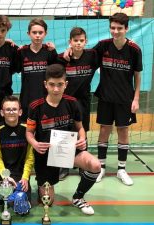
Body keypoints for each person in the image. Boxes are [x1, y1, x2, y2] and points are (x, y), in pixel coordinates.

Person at [26, 64, 101, 215]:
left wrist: (82, 138)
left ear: (65, 85)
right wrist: (35, 144)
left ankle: (78, 197)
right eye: (52, 85)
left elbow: (80, 127)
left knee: (95, 165)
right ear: (45, 84)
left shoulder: (72, 103)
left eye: (60, 85)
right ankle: (41, 185)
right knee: (49, 201)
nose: (55, 89)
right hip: (45, 155)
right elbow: (29, 132)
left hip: (68, 150)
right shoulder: (35, 106)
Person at [92, 13, 142, 185]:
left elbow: (137, 76)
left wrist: (136, 99)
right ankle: (101, 167)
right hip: (105, 97)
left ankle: (121, 169)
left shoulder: (134, 49)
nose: (115, 31)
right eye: (113, 28)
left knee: (123, 131)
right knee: (104, 130)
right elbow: (85, 58)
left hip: (125, 99)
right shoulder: (102, 46)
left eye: (119, 28)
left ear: (126, 29)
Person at [0, 95, 34, 211]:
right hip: (2, 171)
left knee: (20, 204)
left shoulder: (27, 129)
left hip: (20, 172)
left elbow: (30, 157)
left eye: (14, 109)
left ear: (20, 112)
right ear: (2, 113)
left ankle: (11, 192)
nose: (11, 112)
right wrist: (5, 177)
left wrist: (25, 177)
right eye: (8, 109)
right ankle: (3, 192)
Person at [57, 27, 98, 181]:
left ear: (86, 42)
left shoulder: (92, 56)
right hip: (66, 101)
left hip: (83, 101)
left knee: (83, 131)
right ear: (70, 42)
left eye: (81, 41)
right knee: (66, 132)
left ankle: (82, 165)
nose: (79, 43)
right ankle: (64, 166)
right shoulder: (63, 58)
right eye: (75, 41)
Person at [16, 18, 58, 122]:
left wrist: (54, 50)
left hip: (46, 99)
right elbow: (13, 68)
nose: (37, 35)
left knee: (45, 130)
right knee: (26, 130)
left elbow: (57, 73)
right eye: (34, 32)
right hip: (27, 99)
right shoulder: (22, 52)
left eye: (40, 32)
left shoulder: (50, 52)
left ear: (45, 33)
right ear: (28, 33)